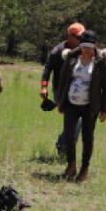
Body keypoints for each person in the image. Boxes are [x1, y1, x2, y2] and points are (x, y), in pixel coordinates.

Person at [51, 29, 106, 182]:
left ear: (95, 46)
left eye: (89, 47)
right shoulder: (71, 57)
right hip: (71, 103)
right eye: (83, 46)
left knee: (87, 137)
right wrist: (60, 101)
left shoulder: (101, 61)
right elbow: (63, 80)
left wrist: (105, 109)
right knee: (69, 135)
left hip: (90, 106)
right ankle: (71, 165)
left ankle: (84, 168)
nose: (86, 50)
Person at [41, 22, 86, 156]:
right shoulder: (57, 51)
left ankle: (64, 146)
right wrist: (44, 87)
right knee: (76, 119)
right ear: (70, 37)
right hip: (60, 91)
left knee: (78, 120)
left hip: (77, 90)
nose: (81, 40)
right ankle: (64, 147)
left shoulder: (83, 49)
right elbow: (47, 69)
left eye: (82, 37)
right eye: (78, 37)